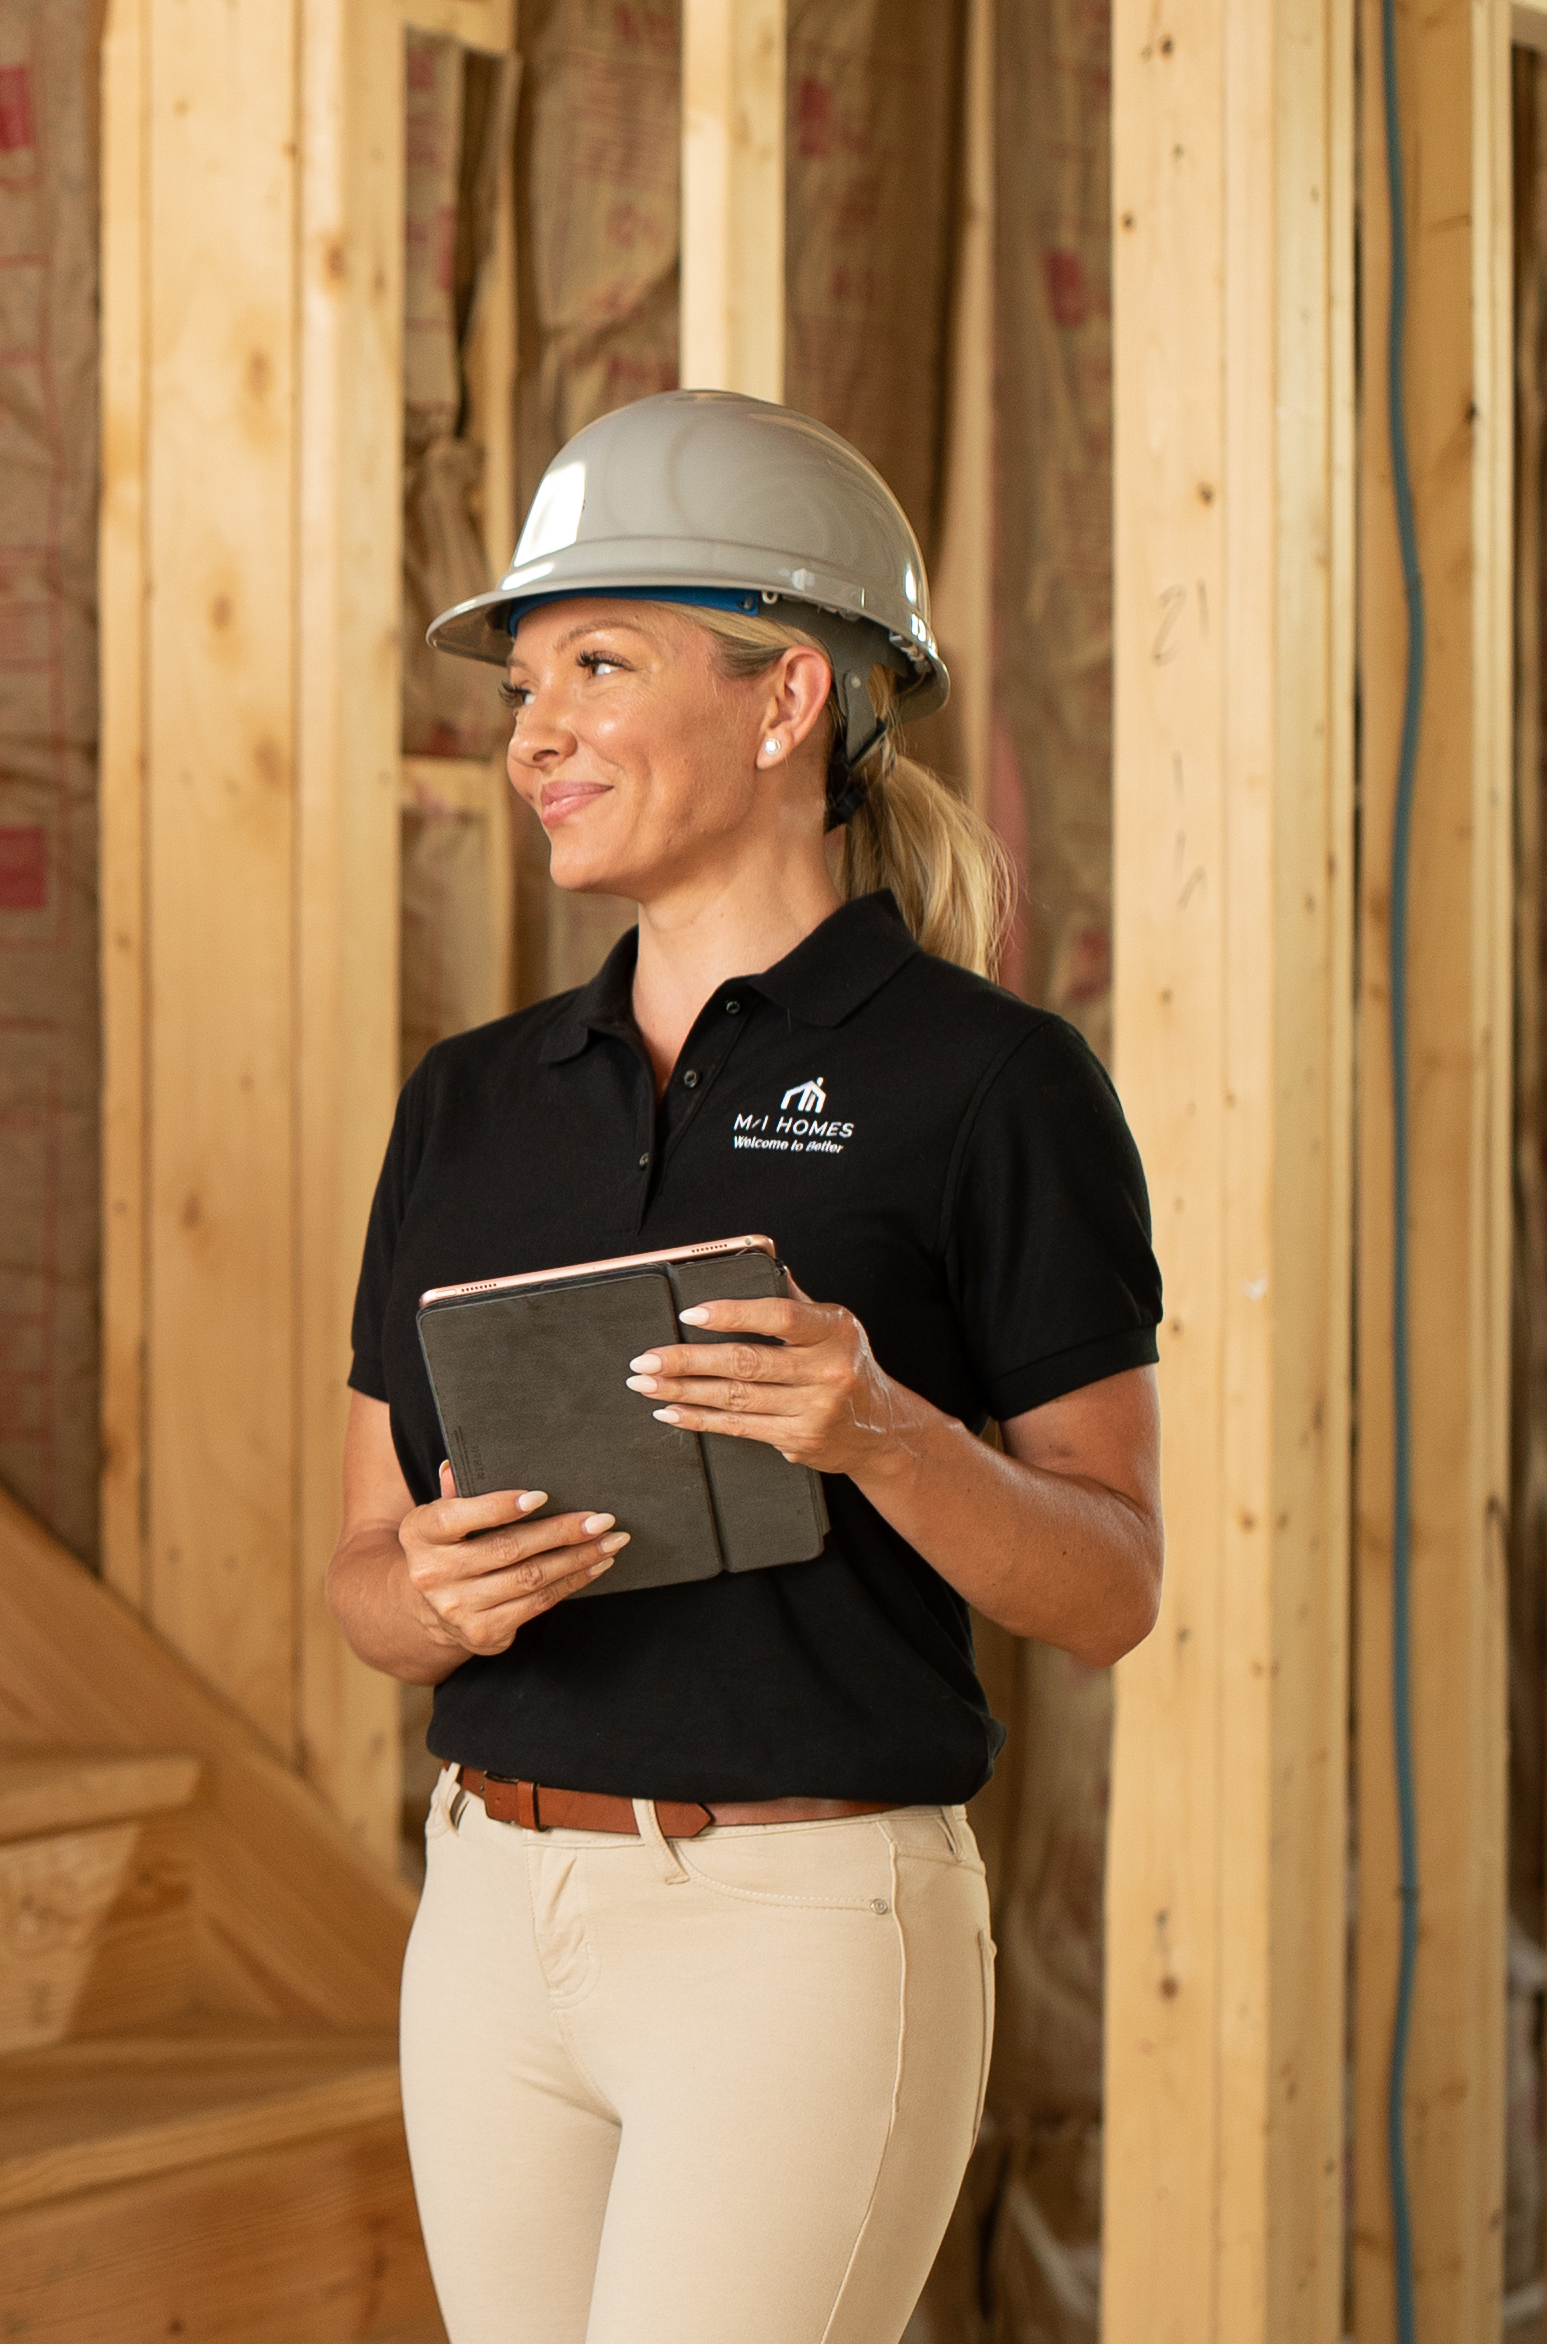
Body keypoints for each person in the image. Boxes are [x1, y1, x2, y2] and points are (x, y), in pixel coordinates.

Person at [328, 389, 1165, 2344]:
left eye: (594, 664)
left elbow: (1109, 1585)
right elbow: (362, 1574)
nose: (528, 732)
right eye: (520, 679)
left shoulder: (990, 1086)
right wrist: (427, 1600)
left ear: (784, 696)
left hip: (799, 1936)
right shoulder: (466, 1102)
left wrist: (876, 1431)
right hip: (486, 1918)